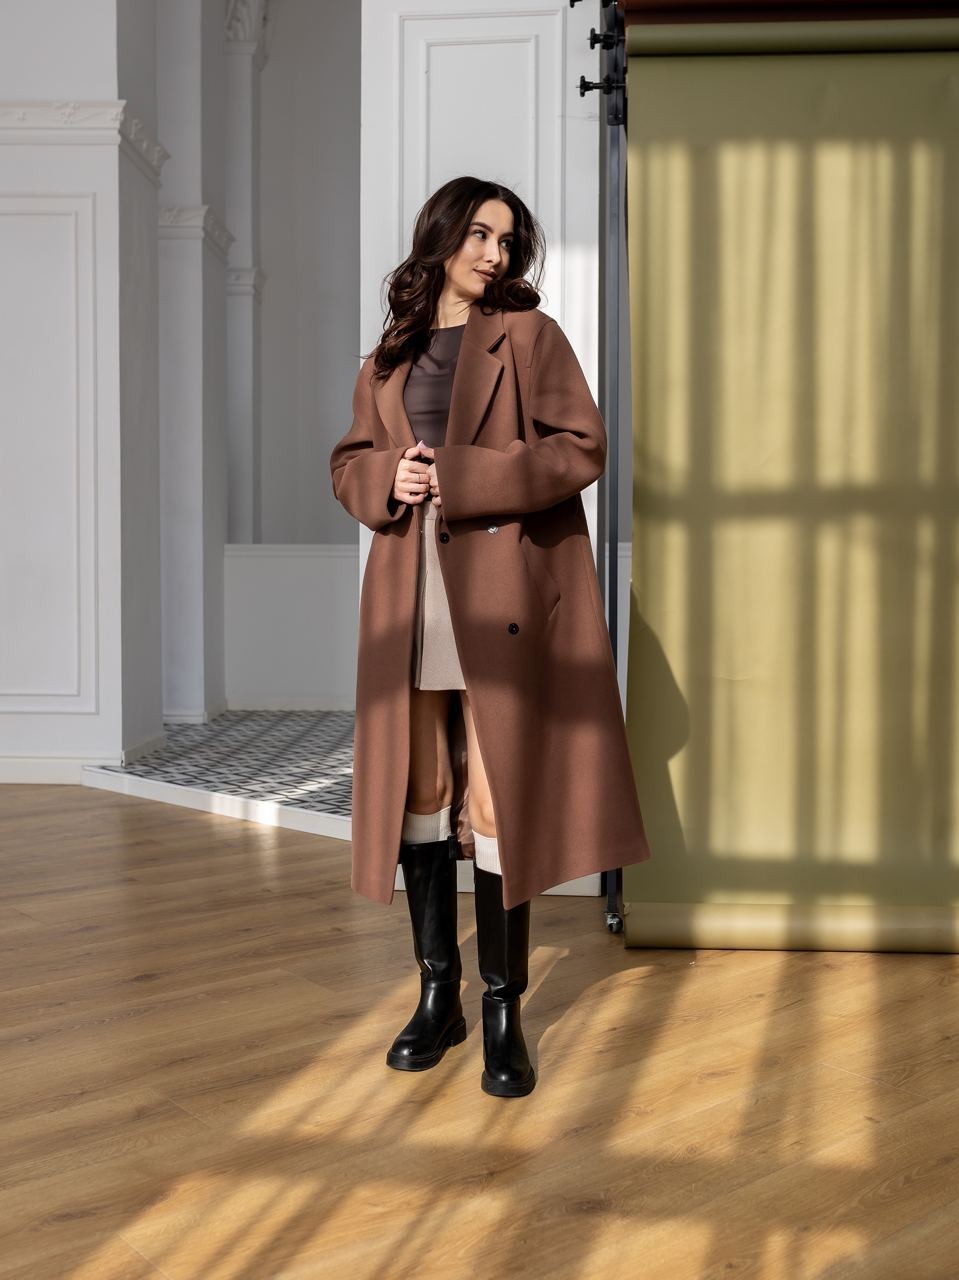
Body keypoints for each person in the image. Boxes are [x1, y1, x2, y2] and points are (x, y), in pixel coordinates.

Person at [330, 176, 651, 1099]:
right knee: (420, 791)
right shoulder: (388, 356)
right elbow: (349, 462)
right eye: (478, 233)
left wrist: (463, 477)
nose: (493, 253)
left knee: (497, 790)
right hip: (410, 588)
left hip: (499, 587)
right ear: (440, 236)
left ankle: (504, 1010)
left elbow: (580, 447)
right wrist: (389, 479)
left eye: (506, 240)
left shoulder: (529, 336)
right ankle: (440, 996)